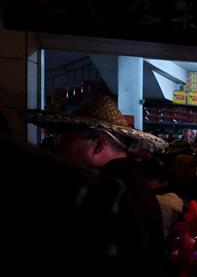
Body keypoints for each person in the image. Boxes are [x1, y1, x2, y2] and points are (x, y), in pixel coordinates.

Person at [20, 96, 167, 261]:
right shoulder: (129, 181)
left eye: (66, 139)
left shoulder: (109, 189)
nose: (58, 146)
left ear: (98, 145)